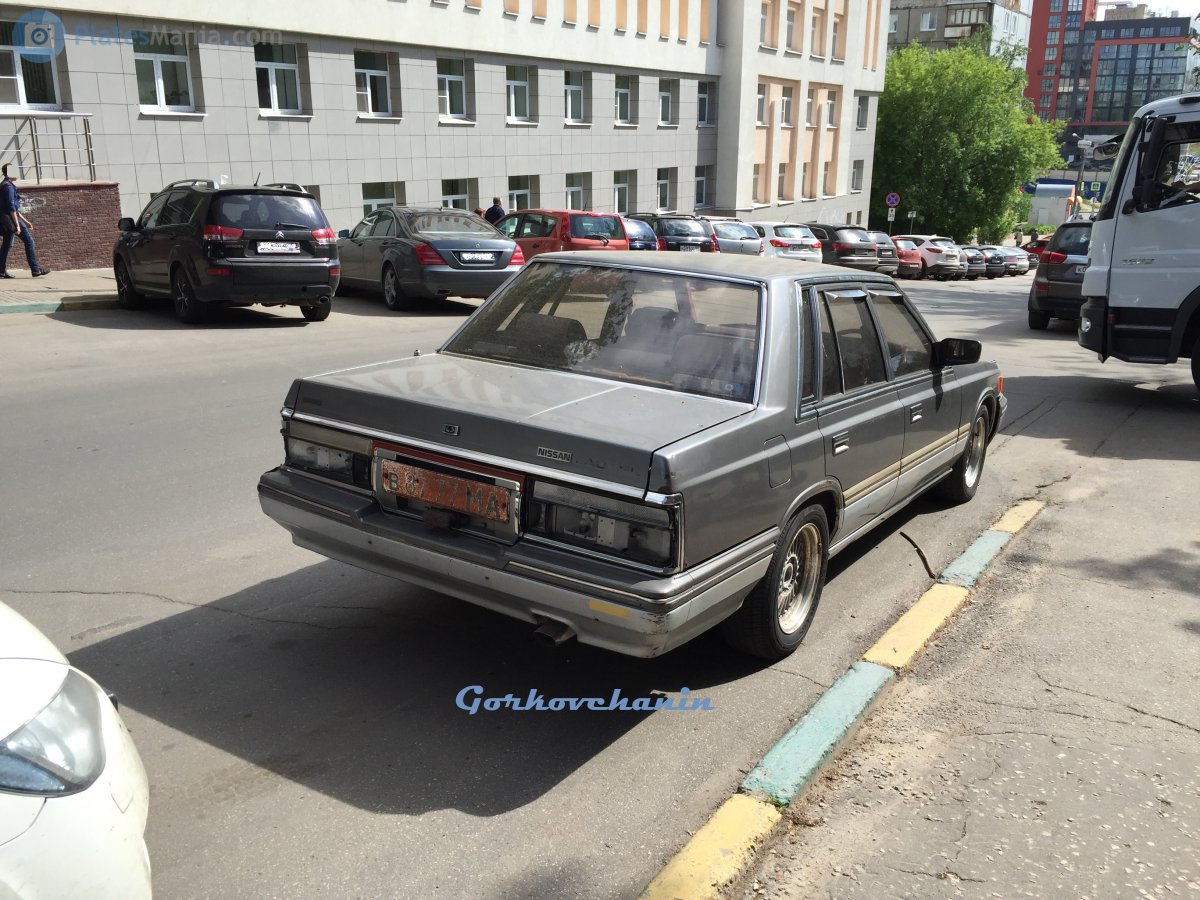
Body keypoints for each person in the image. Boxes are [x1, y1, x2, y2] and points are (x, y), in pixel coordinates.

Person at [0, 164, 49, 278]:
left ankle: (1, 270)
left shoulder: (4, 185)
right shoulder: (8, 187)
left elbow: (14, 209)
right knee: (28, 241)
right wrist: (17, 225)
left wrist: (26, 221)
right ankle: (35, 269)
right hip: (10, 219)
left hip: (8, 218)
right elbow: (11, 207)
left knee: (7, 244)